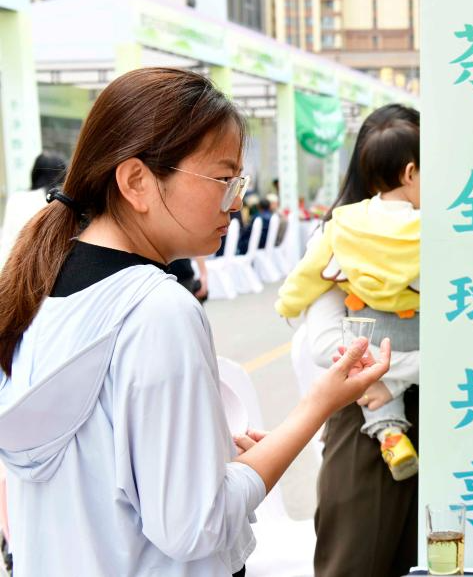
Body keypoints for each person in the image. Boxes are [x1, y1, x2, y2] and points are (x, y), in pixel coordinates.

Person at [0, 68, 390, 576]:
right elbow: (195, 527)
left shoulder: (37, 286)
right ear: (136, 181)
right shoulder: (158, 309)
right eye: (223, 179)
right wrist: (319, 403)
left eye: (239, 182)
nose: (236, 200)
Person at [276, 103, 421, 577]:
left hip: (442, 413)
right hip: (364, 421)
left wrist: (393, 375)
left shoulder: (436, 234)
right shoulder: (339, 236)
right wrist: (412, 367)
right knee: (356, 559)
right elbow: (326, 345)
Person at [0, 152, 67, 268]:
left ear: (35, 173)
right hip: (48, 271)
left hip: (13, 268)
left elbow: (6, 240)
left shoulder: (16, 199)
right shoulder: (61, 204)